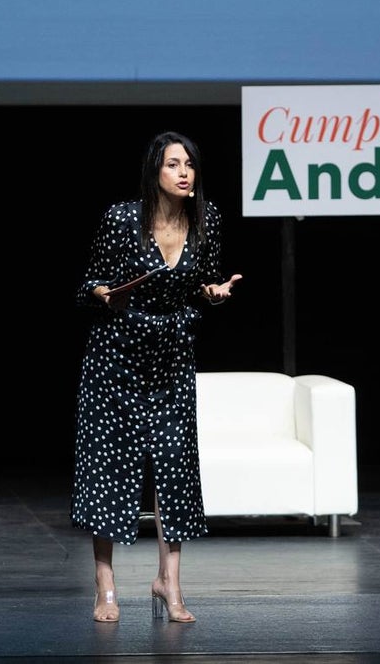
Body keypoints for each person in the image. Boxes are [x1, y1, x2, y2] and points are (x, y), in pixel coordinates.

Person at [70, 130, 242, 624]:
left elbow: (200, 284)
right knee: (109, 469)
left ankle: (170, 582)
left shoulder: (207, 219)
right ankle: (105, 586)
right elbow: (87, 286)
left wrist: (213, 294)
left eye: (190, 164)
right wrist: (105, 295)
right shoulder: (122, 219)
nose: (184, 172)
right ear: (155, 171)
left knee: (175, 469)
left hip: (171, 359)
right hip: (115, 360)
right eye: (173, 164)